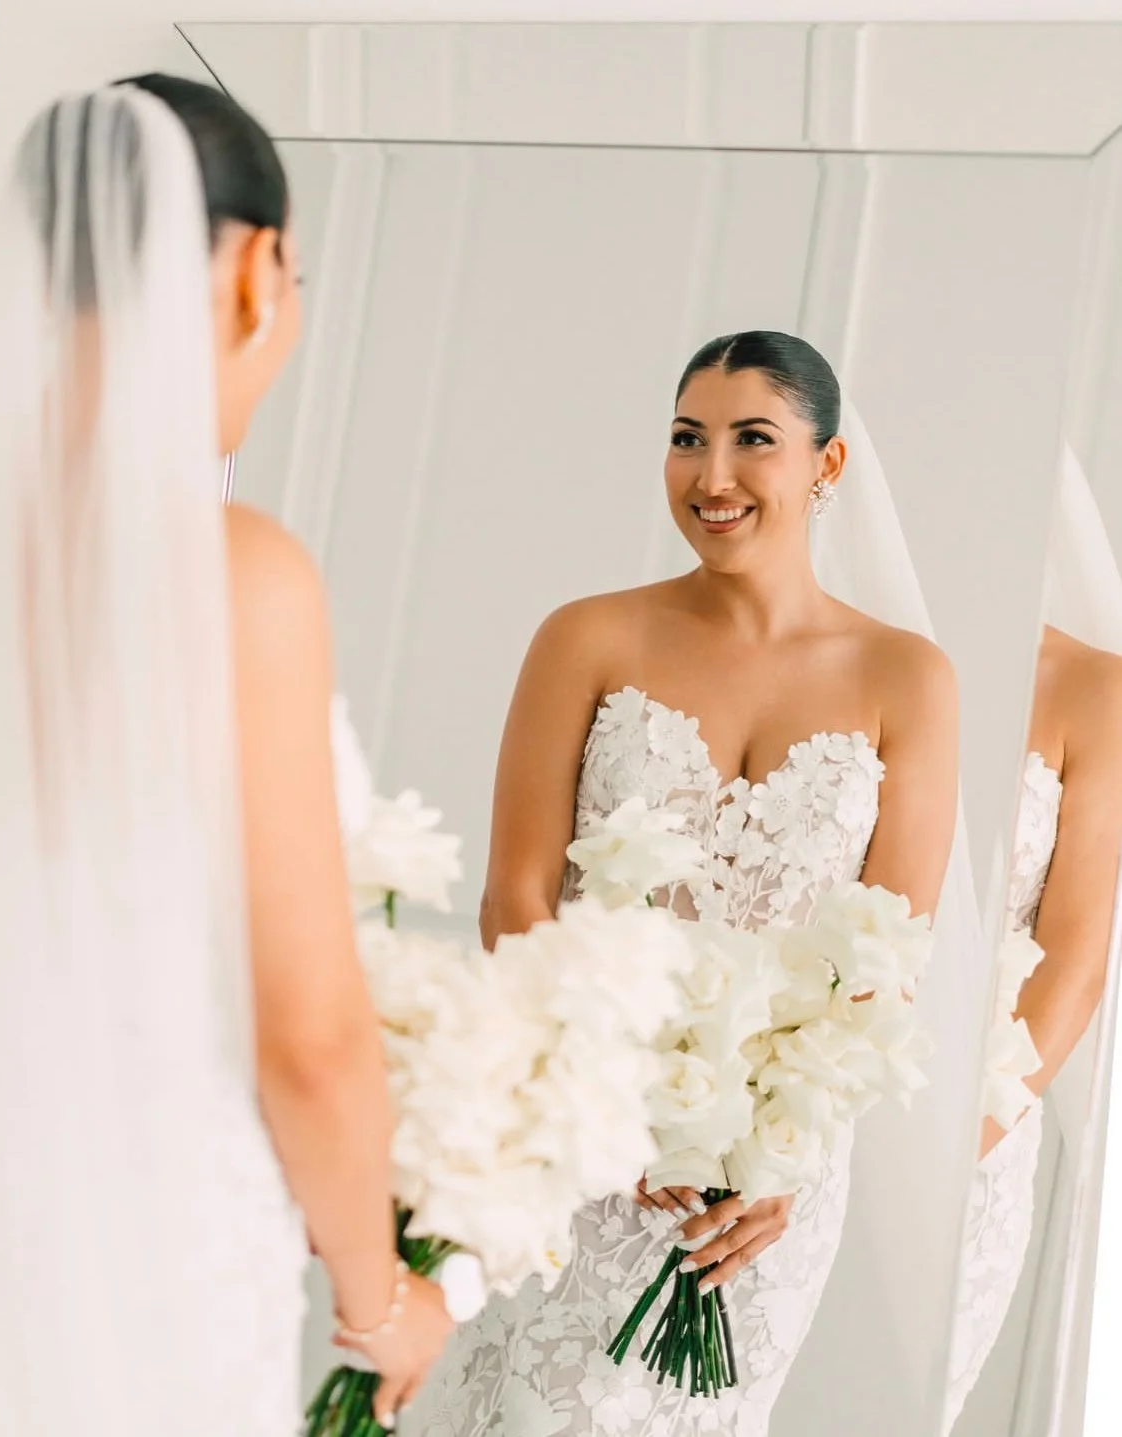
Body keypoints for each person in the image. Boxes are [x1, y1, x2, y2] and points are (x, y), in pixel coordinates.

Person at [0, 76, 449, 1437]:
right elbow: (311, 1041)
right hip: (146, 1232)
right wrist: (383, 1293)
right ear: (250, 274)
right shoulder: (231, 571)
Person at [405, 332, 959, 1437]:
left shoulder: (909, 679)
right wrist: (616, 1104)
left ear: (827, 466)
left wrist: (780, 1153)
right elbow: (517, 898)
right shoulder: (588, 636)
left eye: (753, 440)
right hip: (579, 1132)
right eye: (685, 440)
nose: (712, 476)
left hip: (766, 1191)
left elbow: (889, 956)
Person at [945, 451, 1122, 1432]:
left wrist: (943, 1153)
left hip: (980, 1122)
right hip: (776, 1105)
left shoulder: (1095, 690)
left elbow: (1075, 964)